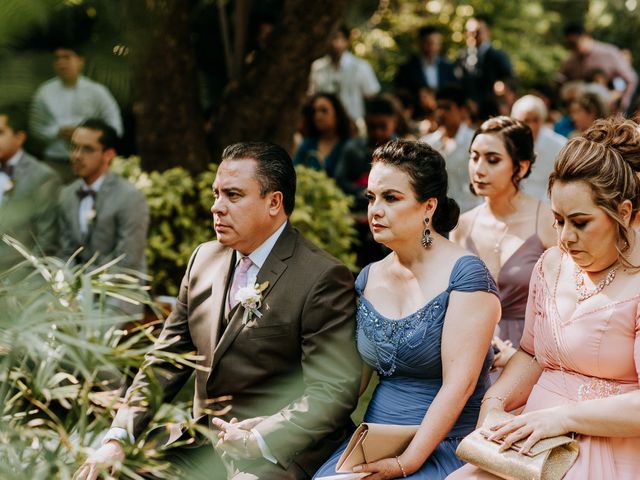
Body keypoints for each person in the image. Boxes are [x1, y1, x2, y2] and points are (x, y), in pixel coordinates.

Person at [73, 141, 361, 480]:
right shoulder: (203, 260)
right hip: (203, 444)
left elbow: (330, 392)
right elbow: (165, 359)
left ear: (274, 202)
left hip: (279, 451)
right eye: (216, 194)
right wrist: (119, 436)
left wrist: (259, 438)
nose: (217, 207)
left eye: (233, 196)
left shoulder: (321, 277)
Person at [448, 116, 640, 479]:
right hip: (530, 444)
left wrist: (561, 417)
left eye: (580, 222)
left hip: (608, 448)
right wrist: (495, 405)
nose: (565, 237)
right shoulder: (550, 264)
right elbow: (532, 353)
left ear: (624, 213)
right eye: (558, 220)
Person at [314, 139, 501, 479]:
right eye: (371, 198)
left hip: (444, 444)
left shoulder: (465, 274)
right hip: (375, 441)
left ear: (428, 206)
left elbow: (460, 384)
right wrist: (282, 425)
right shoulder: (369, 277)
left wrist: (407, 463)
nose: (375, 210)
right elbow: (351, 383)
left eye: (391, 198)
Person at [451, 116, 556, 352]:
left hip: (532, 349)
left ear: (521, 167)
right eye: (474, 157)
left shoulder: (549, 221)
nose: (478, 169)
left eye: (492, 160)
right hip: (472, 346)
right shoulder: (462, 226)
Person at [58, 119, 148, 319]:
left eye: (87, 149)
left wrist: (83, 290)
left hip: (119, 292)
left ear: (108, 155)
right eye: (74, 147)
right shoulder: (66, 195)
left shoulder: (130, 197)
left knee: (89, 335)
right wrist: (68, 289)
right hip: (76, 290)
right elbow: (66, 252)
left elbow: (128, 261)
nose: (77, 156)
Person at [30, 46, 123, 183]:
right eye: (57, 59)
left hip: (91, 162)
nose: (61, 63)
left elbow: (115, 126)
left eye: (67, 57)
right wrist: (57, 132)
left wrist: (87, 136)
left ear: (80, 61)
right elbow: (35, 128)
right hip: (55, 163)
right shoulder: (44, 93)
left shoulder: (97, 92)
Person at [335, 95, 399, 267]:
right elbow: (340, 182)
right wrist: (364, 192)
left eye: (383, 127)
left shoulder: (404, 152)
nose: (378, 132)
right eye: (372, 127)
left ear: (394, 122)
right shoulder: (352, 149)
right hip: (356, 219)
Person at [0, 104, 61, 271]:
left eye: (0, 133)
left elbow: (47, 241)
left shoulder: (43, 177)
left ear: (19, 137)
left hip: (19, 277)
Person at [309, 26, 381, 130]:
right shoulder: (317, 67)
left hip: (354, 126)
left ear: (347, 41)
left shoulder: (360, 66)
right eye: (330, 38)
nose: (333, 43)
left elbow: (372, 97)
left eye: (337, 37)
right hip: (324, 128)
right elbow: (312, 97)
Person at [421, 85, 479, 213]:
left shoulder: (475, 141)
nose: (441, 112)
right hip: (438, 216)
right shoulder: (427, 144)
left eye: (447, 107)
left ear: (462, 110)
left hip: (471, 212)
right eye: (438, 107)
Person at [559, 22, 638, 115]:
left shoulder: (609, 53)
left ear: (585, 37)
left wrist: (622, 103)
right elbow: (561, 82)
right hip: (582, 115)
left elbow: (630, 79)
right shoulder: (570, 61)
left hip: (612, 112)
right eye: (569, 45)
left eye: (574, 43)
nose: (572, 48)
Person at [510, 94, 567, 201]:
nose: (531, 126)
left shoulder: (559, 144)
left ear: (542, 120)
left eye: (535, 120)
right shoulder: (508, 143)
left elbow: (560, 181)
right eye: (526, 120)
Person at [394, 26, 457, 117]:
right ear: (420, 43)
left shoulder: (448, 67)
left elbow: (454, 90)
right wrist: (418, 95)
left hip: (443, 115)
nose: (432, 47)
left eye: (435, 43)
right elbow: (400, 92)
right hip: (416, 115)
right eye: (428, 43)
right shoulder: (407, 67)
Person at [455, 15, 514, 110]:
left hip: (492, 107)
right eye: (470, 32)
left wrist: (503, 86)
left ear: (487, 32)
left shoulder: (498, 56)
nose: (473, 35)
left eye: (477, 32)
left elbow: (510, 78)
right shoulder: (462, 57)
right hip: (468, 109)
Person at [292, 93, 353, 178]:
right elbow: (293, 172)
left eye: (324, 111)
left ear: (337, 114)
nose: (318, 116)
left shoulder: (349, 146)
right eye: (314, 112)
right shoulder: (307, 145)